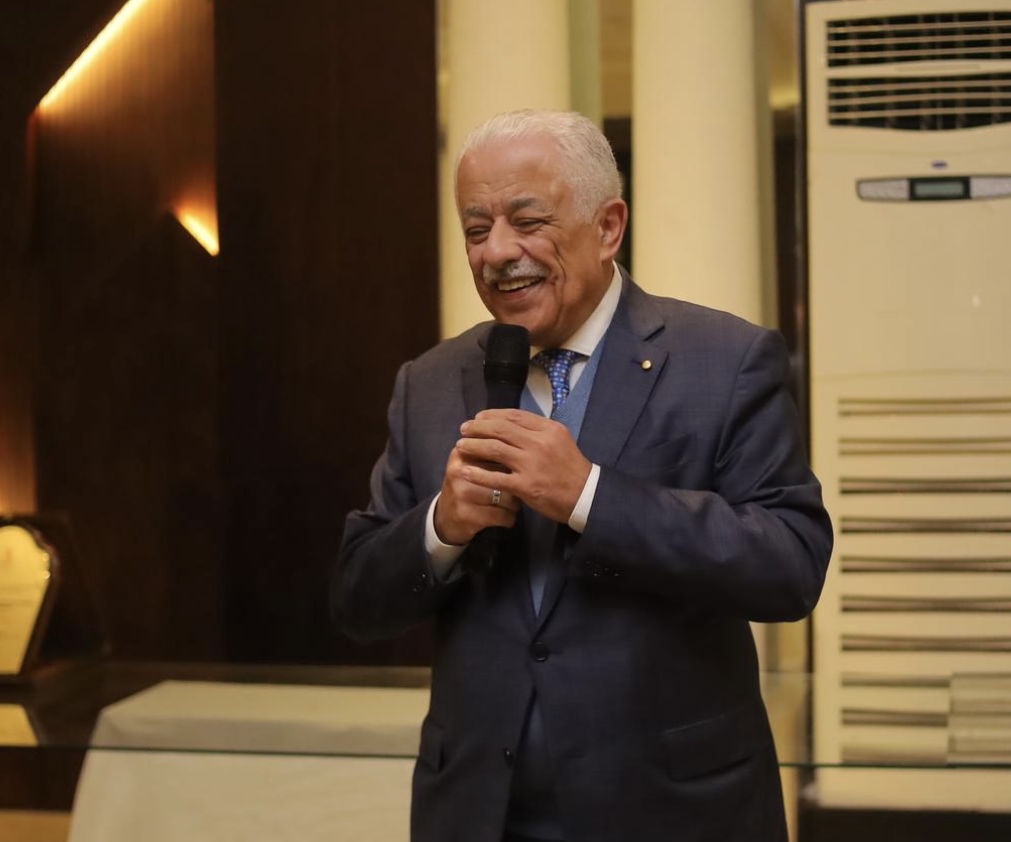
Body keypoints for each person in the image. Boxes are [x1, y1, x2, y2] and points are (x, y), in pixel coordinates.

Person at [332, 109, 833, 842]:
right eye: (476, 230)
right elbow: (357, 599)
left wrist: (590, 497)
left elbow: (790, 566)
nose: (498, 252)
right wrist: (443, 526)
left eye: (527, 221)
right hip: (480, 814)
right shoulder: (431, 382)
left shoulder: (724, 361)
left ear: (608, 227)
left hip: (673, 813)